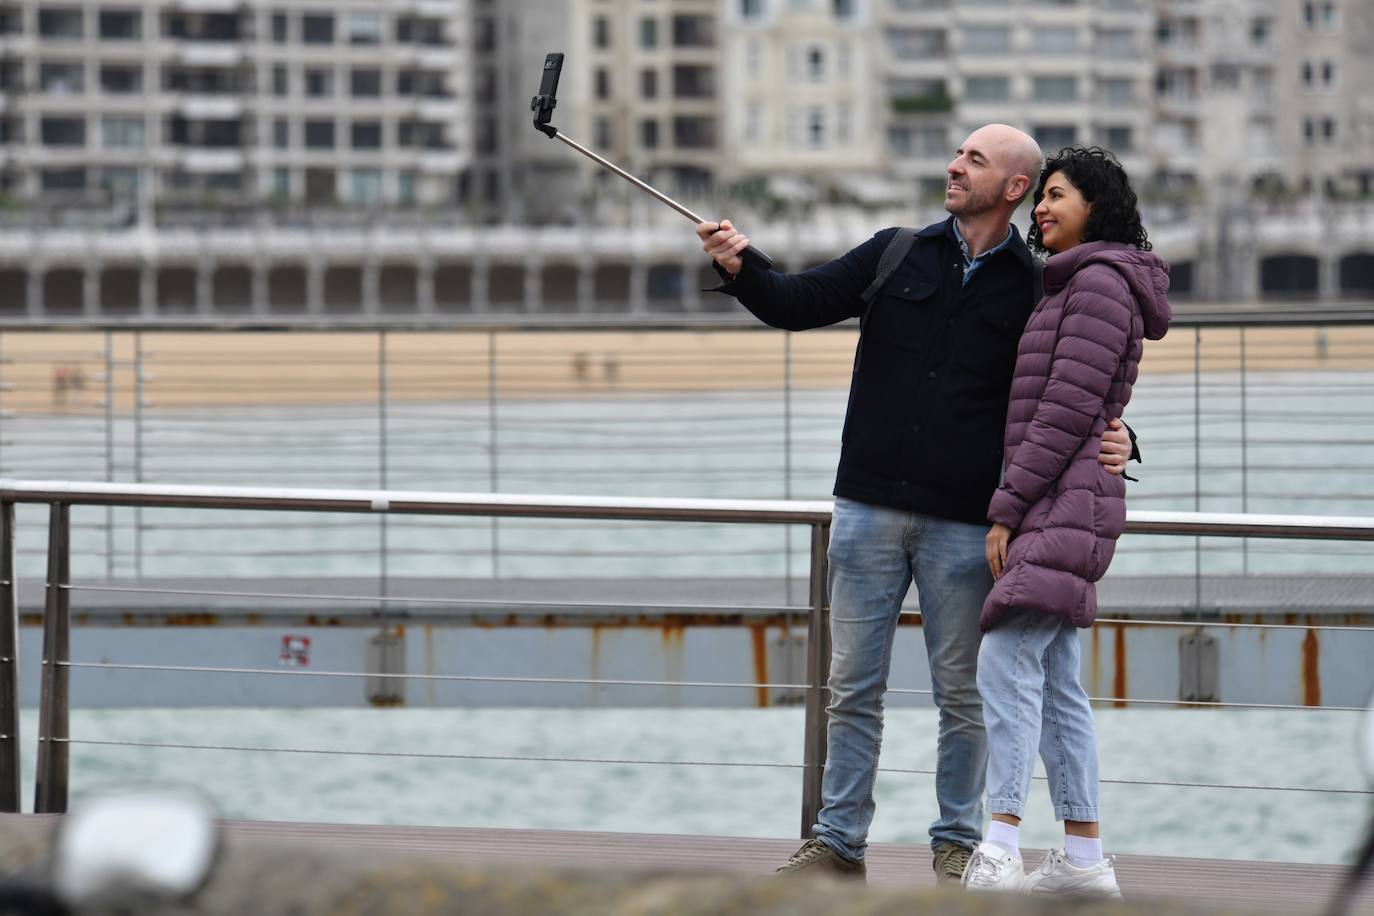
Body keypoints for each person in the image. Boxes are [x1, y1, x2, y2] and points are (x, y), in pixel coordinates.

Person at [695, 124, 1136, 884]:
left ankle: (957, 843)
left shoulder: (1037, 285)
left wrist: (1126, 437)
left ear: (1014, 187)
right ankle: (837, 842)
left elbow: (1073, 385)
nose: (954, 166)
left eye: (974, 160)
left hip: (969, 524)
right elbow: (799, 301)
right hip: (866, 509)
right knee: (852, 689)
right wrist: (743, 264)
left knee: (965, 698)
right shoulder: (895, 251)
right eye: (958, 154)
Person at [961, 146, 1170, 896]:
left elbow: (1066, 409)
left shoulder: (1099, 287)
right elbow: (1086, 404)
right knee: (1053, 679)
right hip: (1070, 494)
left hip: (1060, 501)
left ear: (1097, 208)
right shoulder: (1076, 285)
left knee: (1005, 659)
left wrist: (1006, 510)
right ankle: (1084, 860)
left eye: (1056, 197)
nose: (1042, 210)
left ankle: (1000, 846)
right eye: (1040, 197)